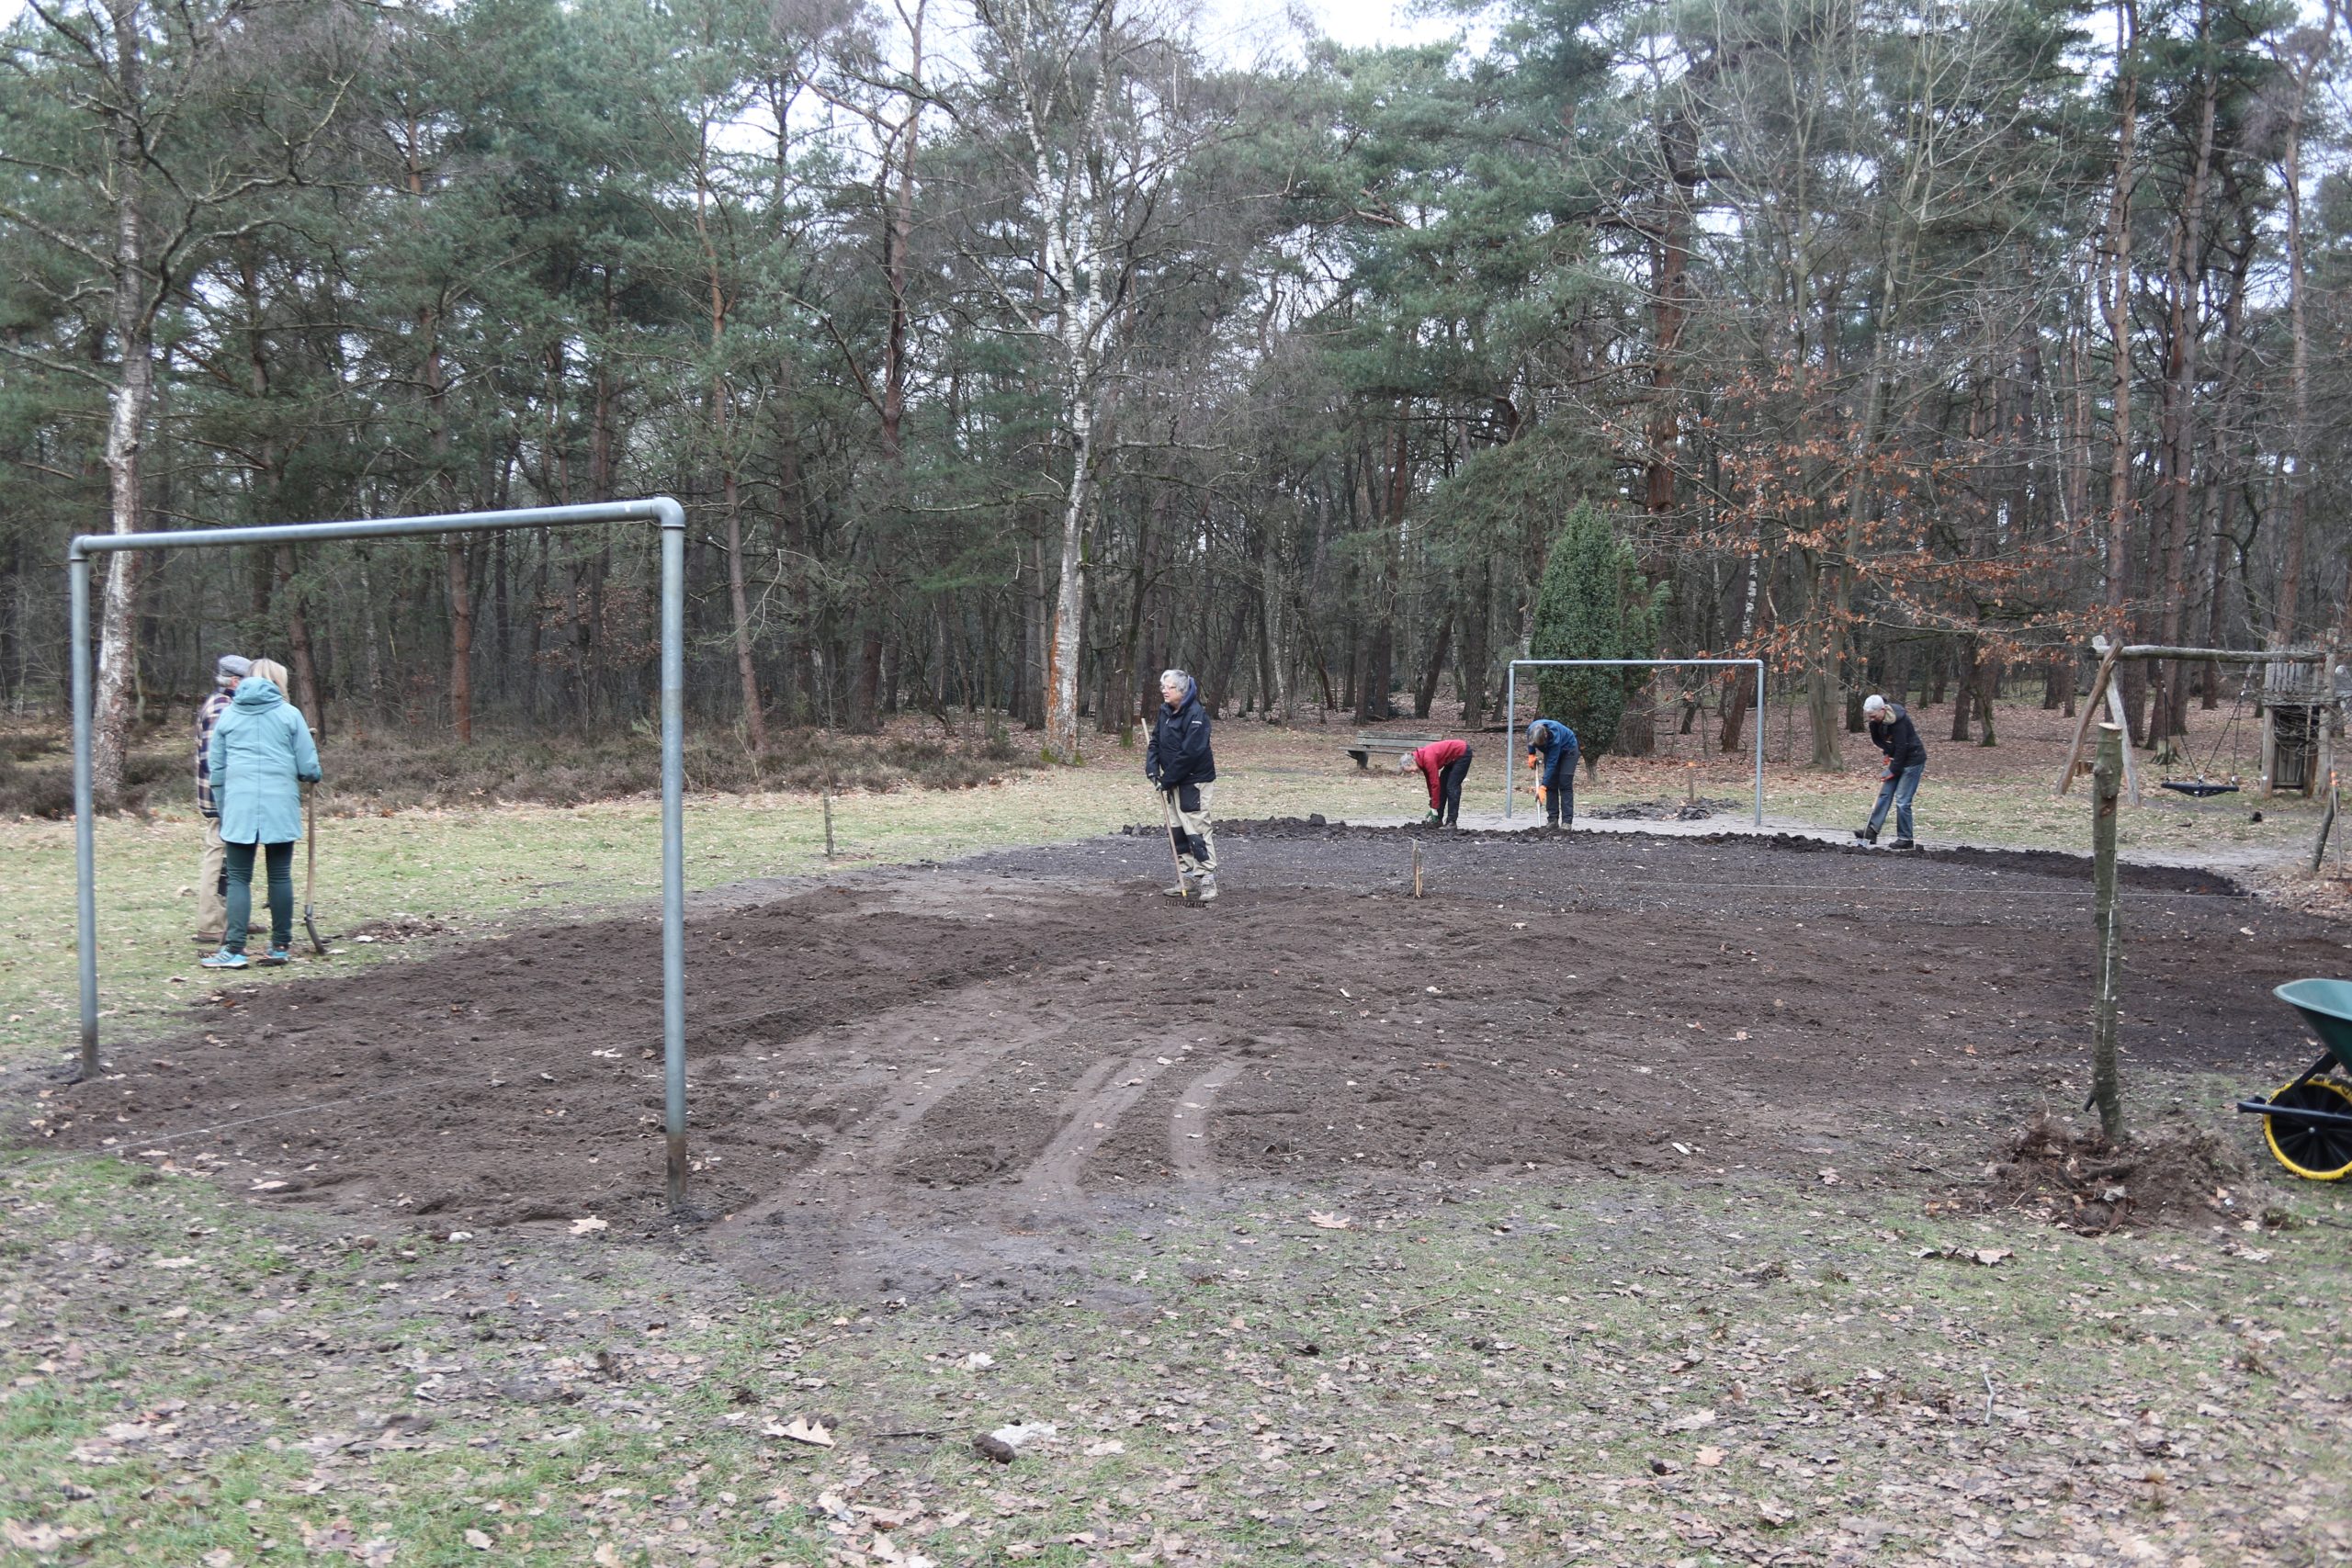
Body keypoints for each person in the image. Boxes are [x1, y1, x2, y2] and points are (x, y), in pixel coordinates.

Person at [201, 657, 321, 969]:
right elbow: (308, 768)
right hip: (279, 804)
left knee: (239, 878)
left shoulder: (229, 716)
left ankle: (235, 950)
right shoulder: (290, 715)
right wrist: (311, 774)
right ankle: (280, 945)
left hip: (239, 805)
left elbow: (217, 769)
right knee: (279, 875)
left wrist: (225, 805)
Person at [1146, 668, 1217, 902]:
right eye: (1163, 686)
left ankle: (1206, 878)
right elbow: (1155, 740)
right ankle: (1185, 875)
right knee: (1176, 829)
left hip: (1193, 781)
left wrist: (1167, 779)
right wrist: (1152, 768)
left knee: (1195, 828)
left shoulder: (1196, 715)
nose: (1164, 691)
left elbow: (1190, 753)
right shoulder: (1165, 711)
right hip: (1172, 780)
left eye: (1170, 687)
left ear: (1182, 690)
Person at [193, 654, 250, 946]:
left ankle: (233, 917)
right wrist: (229, 800)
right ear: (235, 681)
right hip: (221, 799)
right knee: (218, 854)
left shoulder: (230, 706)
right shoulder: (220, 708)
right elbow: (215, 762)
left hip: (231, 796)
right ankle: (211, 924)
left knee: (233, 856)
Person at [1857, 693, 1926, 849]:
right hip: (1897, 758)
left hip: (1913, 760)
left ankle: (1906, 839)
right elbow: (1877, 739)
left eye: (1874, 716)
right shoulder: (1875, 721)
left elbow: (1903, 747)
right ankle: (1872, 831)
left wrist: (1892, 770)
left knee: (1902, 800)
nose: (1871, 720)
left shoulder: (1899, 720)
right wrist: (1888, 752)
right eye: (1869, 717)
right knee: (1885, 793)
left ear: (1883, 710)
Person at [1400, 737, 1473, 828]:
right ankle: (1438, 820)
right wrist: (1432, 801)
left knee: (1452, 787)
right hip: (1452, 759)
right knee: (1443, 787)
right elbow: (1430, 783)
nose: (1413, 772)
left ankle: (1451, 822)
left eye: (1411, 770)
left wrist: (1434, 807)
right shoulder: (1421, 760)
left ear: (1412, 762)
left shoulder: (1427, 759)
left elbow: (1435, 783)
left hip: (1462, 753)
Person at [1523, 717, 1578, 829]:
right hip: (1551, 751)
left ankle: (1567, 822)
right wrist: (1531, 754)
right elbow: (1530, 743)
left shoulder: (1555, 738)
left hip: (1569, 750)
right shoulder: (1531, 730)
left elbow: (1552, 764)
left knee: (1564, 784)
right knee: (1551, 784)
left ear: (1546, 737)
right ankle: (1552, 820)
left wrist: (1542, 787)